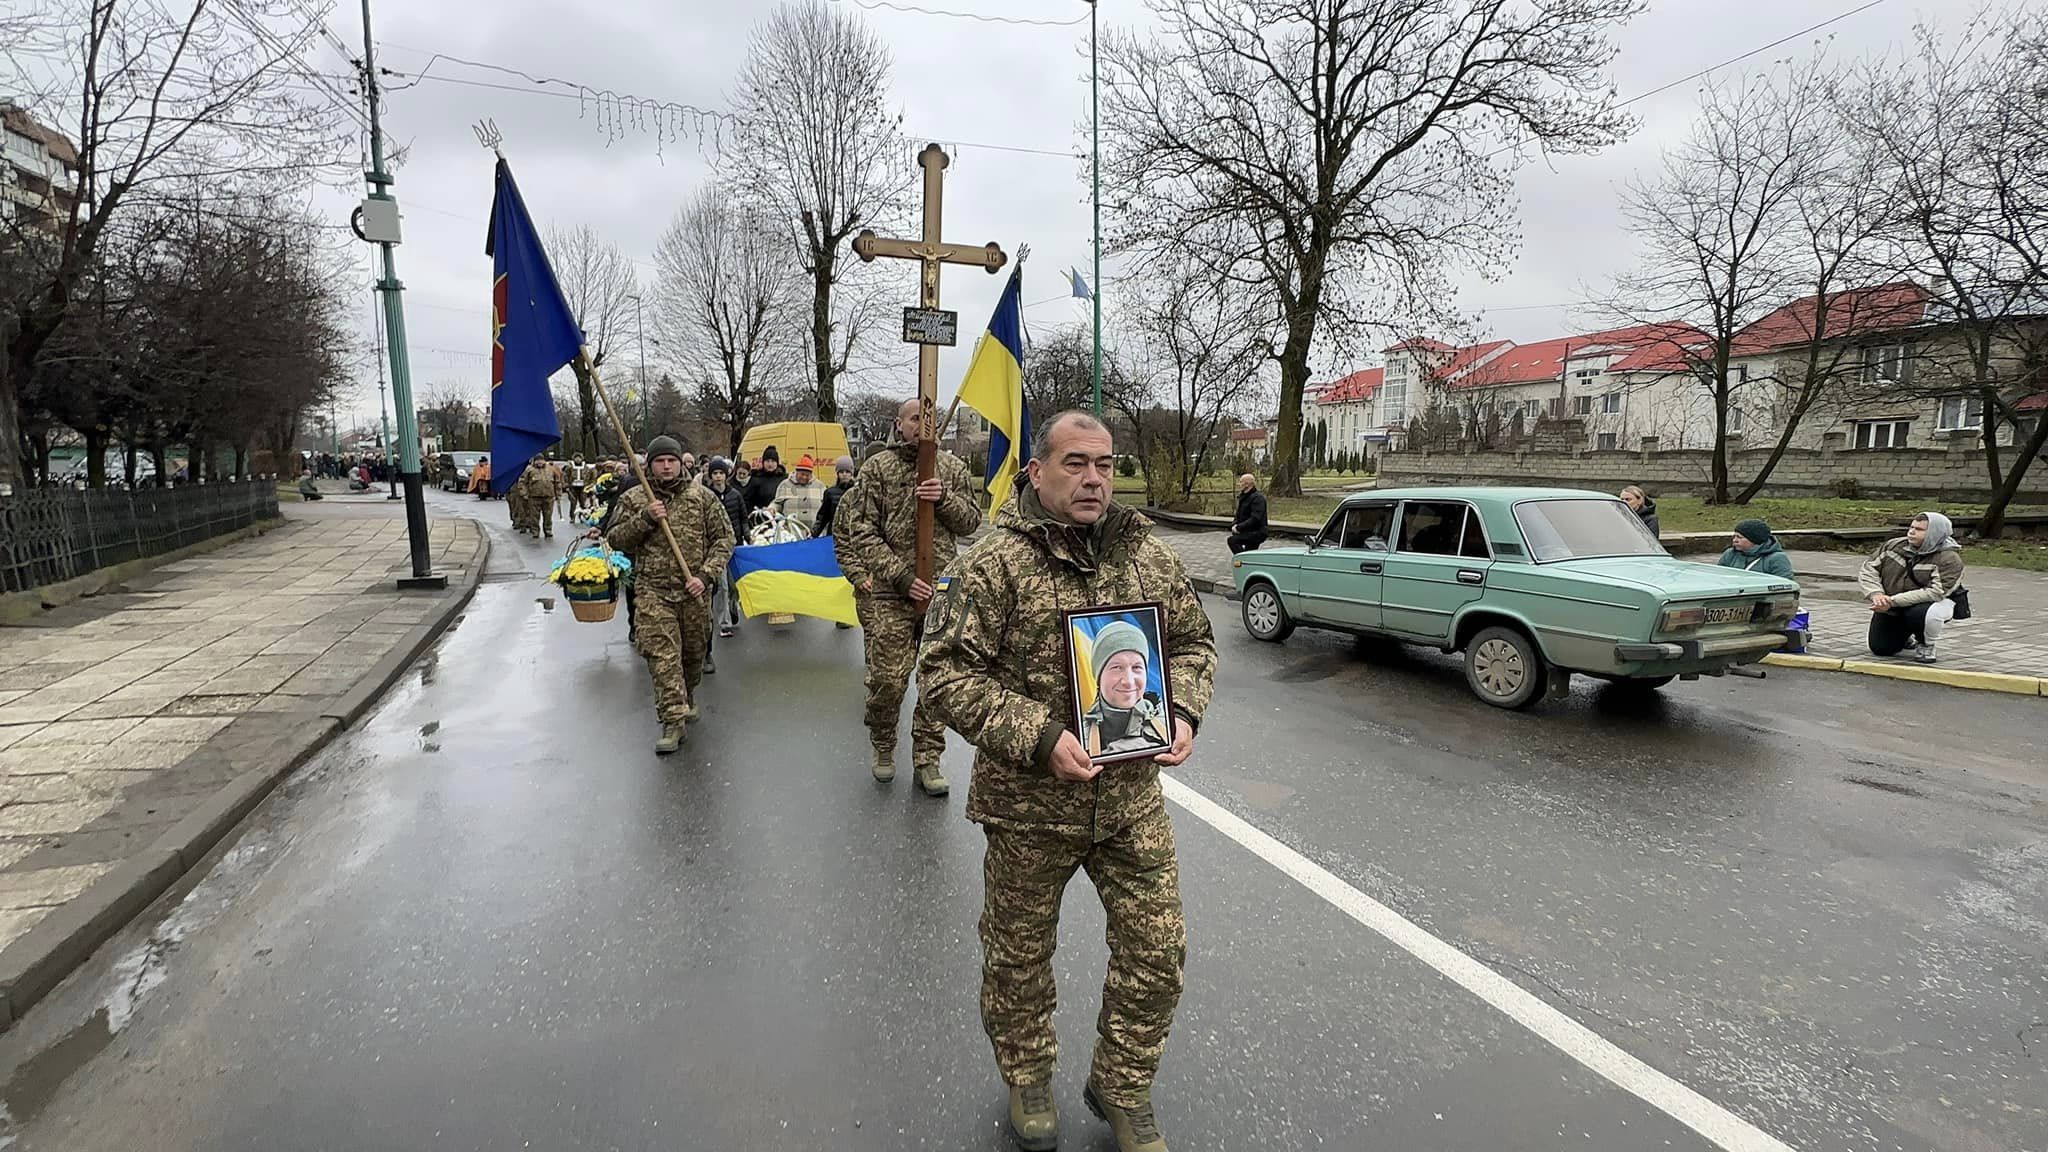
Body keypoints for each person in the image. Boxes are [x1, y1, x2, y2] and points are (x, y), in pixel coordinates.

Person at [918, 410, 1217, 1152]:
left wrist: (1180, 710)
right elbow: (943, 673)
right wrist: (1040, 735)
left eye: (1105, 465)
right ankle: (1027, 1075)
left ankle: (1123, 1086)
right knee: (1019, 958)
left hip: (1127, 802)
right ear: (1037, 472)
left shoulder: (1146, 555)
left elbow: (1193, 643)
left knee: (1159, 950)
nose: (1093, 479)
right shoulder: (995, 564)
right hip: (1030, 808)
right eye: (1076, 463)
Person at [835, 398, 983, 795]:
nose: (922, 425)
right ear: (900, 425)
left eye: (928, 420)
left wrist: (944, 499)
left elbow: (971, 521)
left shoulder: (951, 469)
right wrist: (900, 576)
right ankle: (884, 744)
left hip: (941, 593)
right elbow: (861, 530)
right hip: (890, 593)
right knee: (887, 681)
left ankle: (928, 758)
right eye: (915, 418)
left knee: (937, 681)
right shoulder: (877, 469)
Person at [605, 437, 736, 753]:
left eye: (671, 461)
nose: (666, 466)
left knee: (691, 655)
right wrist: (646, 519)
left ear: (680, 463)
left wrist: (706, 576)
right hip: (653, 592)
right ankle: (672, 720)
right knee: (664, 658)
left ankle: (687, 695)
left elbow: (724, 539)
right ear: (649, 465)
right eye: (659, 461)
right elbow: (616, 539)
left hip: (693, 592)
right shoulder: (636, 499)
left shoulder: (701, 498)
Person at [1859, 511, 1965, 664]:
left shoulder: (1949, 559)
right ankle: (1904, 637)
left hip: (1929, 605)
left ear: (1935, 533)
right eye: (1911, 527)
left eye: (1920, 529)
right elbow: (1869, 569)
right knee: (1881, 648)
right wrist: (1876, 594)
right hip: (1891, 604)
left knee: (1921, 614)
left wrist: (1892, 601)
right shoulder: (1893, 546)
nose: (1912, 532)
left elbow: (1935, 593)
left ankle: (1926, 644)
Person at [1078, 621, 1173, 758]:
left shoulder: (1168, 721)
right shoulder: (1079, 736)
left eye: (1137, 668)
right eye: (1117, 668)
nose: (1128, 681)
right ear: (1098, 677)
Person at [704, 457, 749, 637]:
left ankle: (733, 606)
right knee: (722, 585)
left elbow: (743, 517)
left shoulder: (735, 495)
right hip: (715, 547)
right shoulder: (706, 495)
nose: (718, 477)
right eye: (715, 473)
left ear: (726, 474)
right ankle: (724, 623)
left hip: (735, 544)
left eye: (721, 473)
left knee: (734, 584)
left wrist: (747, 535)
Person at [1718, 519, 1795, 580]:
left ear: (1754, 539)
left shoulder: (1777, 558)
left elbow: (1786, 585)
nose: (1735, 540)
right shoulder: (1730, 554)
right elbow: (1718, 576)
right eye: (1734, 536)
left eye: (1739, 537)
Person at [772, 455, 827, 535]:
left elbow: (826, 508)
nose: (804, 477)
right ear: (796, 472)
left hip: (814, 535)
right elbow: (777, 503)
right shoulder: (785, 485)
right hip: (791, 533)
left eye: (807, 475)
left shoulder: (820, 486)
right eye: (802, 474)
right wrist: (772, 509)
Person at [813, 455, 858, 540]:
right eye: (841, 472)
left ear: (852, 473)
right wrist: (813, 534)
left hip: (853, 536)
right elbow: (823, 517)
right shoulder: (830, 493)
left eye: (847, 472)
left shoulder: (859, 491)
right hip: (834, 536)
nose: (844, 475)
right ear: (837, 473)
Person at [1227, 473, 1268, 554]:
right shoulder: (1244, 497)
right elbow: (1239, 515)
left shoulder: (1258, 498)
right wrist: (1233, 525)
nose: (1239, 484)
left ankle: (1243, 562)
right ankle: (1248, 563)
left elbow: (1255, 518)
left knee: (1232, 541)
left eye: (1241, 482)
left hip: (1257, 532)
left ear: (1247, 484)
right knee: (1249, 553)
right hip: (1247, 531)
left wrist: (1239, 527)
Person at [743, 446, 784, 518]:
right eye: (767, 461)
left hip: (779, 518)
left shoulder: (783, 479)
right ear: (763, 462)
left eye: (773, 461)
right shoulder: (756, 479)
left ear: (777, 463)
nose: (770, 464)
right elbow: (747, 501)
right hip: (760, 518)